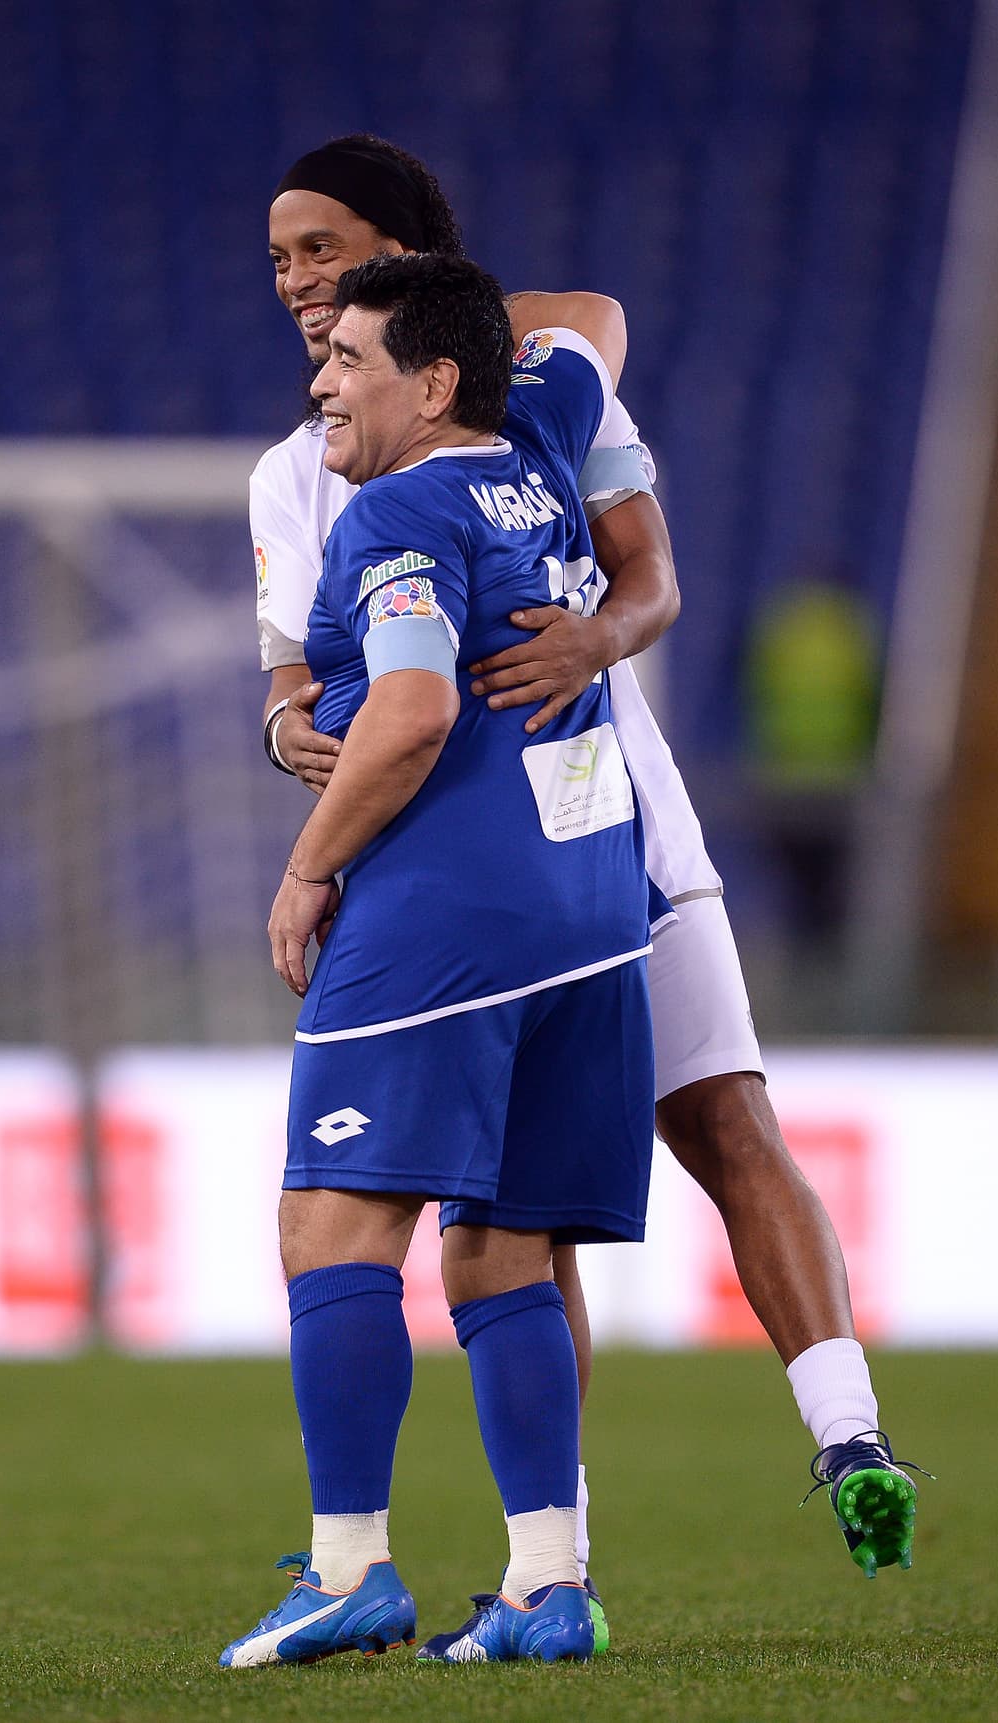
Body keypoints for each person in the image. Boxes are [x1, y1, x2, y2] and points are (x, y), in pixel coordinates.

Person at [252, 138, 922, 1633]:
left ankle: (389, 1561)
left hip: (561, 850)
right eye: (285, 262)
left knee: (468, 1207)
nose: (300, 288)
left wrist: (592, 643)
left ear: (414, 278)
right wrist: (297, 721)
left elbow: (639, 565)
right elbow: (296, 670)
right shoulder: (317, 467)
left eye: (329, 255)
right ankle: (555, 1567)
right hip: (570, 881)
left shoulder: (467, 426)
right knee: (539, 1210)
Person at [222, 253, 662, 1670]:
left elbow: (408, 713)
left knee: (331, 1228)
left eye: (351, 358)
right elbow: (591, 318)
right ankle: (550, 1584)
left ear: (435, 381)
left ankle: (349, 1565)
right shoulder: (537, 449)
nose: (319, 382)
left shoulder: (398, 512)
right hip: (591, 914)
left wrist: (309, 867)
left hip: (447, 922)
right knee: (499, 1245)